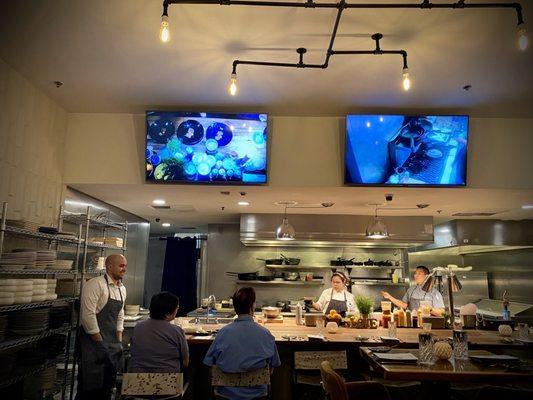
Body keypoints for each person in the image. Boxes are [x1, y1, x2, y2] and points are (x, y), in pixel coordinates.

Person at [204, 287, 280, 400]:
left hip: (226, 395)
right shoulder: (265, 334)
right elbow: (272, 368)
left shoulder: (223, 333)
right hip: (257, 395)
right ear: (253, 306)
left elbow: (210, 365)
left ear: (234, 307)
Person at [77, 254, 127, 400]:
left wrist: (118, 342)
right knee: (90, 386)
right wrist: (99, 344)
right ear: (109, 266)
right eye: (121, 265)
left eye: (125, 266)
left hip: (111, 344)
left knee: (107, 385)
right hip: (92, 344)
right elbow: (88, 317)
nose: (124, 269)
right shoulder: (95, 284)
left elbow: (120, 315)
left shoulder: (121, 288)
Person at [130, 291, 189, 373]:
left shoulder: (138, 327)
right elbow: (185, 362)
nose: (177, 310)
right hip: (168, 382)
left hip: (137, 381)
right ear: (168, 313)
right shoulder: (177, 331)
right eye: (177, 308)